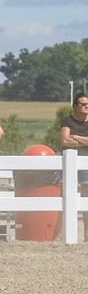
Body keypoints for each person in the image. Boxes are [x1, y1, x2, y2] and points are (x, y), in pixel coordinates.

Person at [59, 92, 88, 242]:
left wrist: (75, 137)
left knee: (85, 197)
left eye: (87, 104)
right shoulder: (67, 120)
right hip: (67, 162)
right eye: (83, 104)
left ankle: (86, 235)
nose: (86, 106)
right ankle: (58, 234)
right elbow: (65, 140)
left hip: (85, 162)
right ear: (75, 106)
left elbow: (70, 138)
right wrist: (84, 140)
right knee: (62, 194)